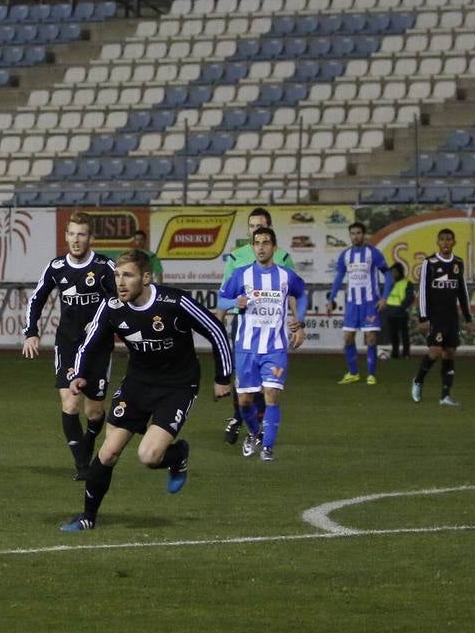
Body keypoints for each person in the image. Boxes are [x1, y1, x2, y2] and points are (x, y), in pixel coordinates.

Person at [60, 251, 233, 532]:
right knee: (108, 453)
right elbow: (88, 343)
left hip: (177, 386)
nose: (120, 282)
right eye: (117, 275)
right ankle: (87, 518)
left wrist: (223, 377)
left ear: (147, 277)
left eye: (128, 275)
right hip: (137, 384)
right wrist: (78, 373)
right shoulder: (112, 306)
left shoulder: (173, 301)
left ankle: (177, 455)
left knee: (149, 457)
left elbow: (215, 329)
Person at [22, 213, 117, 481]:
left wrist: (102, 323)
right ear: (66, 237)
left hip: (97, 347)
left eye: (82, 234)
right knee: (70, 403)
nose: (76, 240)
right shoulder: (56, 267)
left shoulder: (104, 267)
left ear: (91, 238)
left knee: (94, 411)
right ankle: (82, 465)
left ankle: (89, 438)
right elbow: (37, 299)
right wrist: (31, 332)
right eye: (72, 234)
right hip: (68, 345)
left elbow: (118, 302)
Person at [217, 227, 307, 462]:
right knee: (245, 400)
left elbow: (302, 293)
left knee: (271, 394)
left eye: (266, 242)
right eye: (257, 243)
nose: (261, 247)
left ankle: (267, 448)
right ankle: (255, 434)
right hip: (246, 348)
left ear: (273, 247)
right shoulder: (241, 274)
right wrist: (235, 301)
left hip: (275, 347)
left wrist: (300, 322)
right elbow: (221, 299)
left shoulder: (286, 275)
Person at [412, 227, 473, 407]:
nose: (446, 243)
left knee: (450, 353)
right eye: (443, 239)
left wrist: (468, 318)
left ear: (454, 242)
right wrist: (423, 317)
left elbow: (462, 292)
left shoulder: (458, 263)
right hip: (435, 316)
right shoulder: (429, 263)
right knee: (435, 351)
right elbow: (422, 291)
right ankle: (418, 380)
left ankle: (445, 396)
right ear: (438, 242)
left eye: (449, 239)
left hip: (451, 317)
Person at [327, 221, 389, 385]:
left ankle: (371, 374)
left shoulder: (373, 253)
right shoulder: (345, 255)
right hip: (352, 304)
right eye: (353, 233)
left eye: (358, 233)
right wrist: (331, 298)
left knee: (370, 338)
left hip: (370, 303)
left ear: (364, 234)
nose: (355, 236)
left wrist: (384, 297)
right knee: (348, 338)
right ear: (350, 236)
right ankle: (353, 373)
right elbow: (339, 278)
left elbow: (388, 275)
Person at [382, 262, 415, 360]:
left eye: (395, 272)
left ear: (400, 272)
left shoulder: (407, 283)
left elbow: (410, 298)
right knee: (393, 335)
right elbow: (385, 296)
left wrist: (401, 307)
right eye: (392, 272)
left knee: (404, 334)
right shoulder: (390, 284)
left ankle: (406, 353)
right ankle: (395, 353)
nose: (393, 274)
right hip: (390, 312)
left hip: (401, 313)